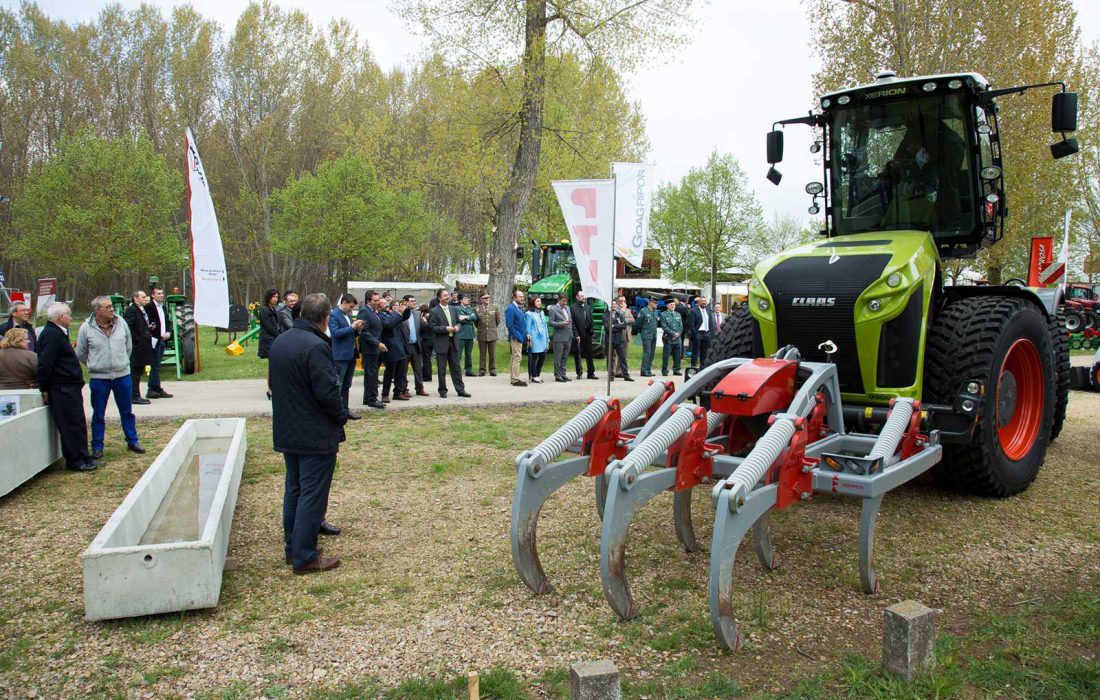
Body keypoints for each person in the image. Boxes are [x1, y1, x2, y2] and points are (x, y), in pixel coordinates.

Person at [271, 293, 347, 575]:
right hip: (312, 431)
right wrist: (341, 416)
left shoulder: (282, 340)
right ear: (325, 318)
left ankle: (294, 547)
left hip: (288, 429)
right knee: (311, 494)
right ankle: (304, 556)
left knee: (295, 489)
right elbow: (327, 391)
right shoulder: (315, 345)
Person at [76, 296, 144, 461]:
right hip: (99, 379)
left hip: (122, 376)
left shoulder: (121, 323)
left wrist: (122, 363)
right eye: (107, 307)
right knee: (98, 414)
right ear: (97, 310)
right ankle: (97, 446)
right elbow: (81, 353)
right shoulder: (86, 328)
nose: (111, 310)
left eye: (112, 306)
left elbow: (128, 346)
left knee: (126, 412)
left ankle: (132, 441)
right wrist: (95, 365)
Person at [37, 302, 95, 471]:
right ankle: (75, 460)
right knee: (69, 424)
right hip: (62, 388)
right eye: (69, 315)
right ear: (61, 317)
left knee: (77, 423)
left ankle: (83, 455)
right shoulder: (51, 335)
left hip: (70, 386)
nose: (71, 318)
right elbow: (45, 364)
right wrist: (44, 388)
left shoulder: (59, 333)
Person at [428, 288, 471, 398]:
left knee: (456, 368)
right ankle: (442, 390)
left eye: (448, 295)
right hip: (441, 343)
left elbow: (458, 322)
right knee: (442, 369)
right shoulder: (434, 311)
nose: (447, 297)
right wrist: (445, 328)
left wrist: (457, 326)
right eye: (445, 295)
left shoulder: (453, 309)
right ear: (439, 298)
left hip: (453, 342)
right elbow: (432, 328)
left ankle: (461, 390)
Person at [328, 293, 363, 420]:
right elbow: (335, 333)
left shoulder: (348, 315)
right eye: (351, 306)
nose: (352, 310)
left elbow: (350, 333)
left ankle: (345, 410)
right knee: (339, 384)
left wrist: (357, 329)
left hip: (351, 354)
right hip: (340, 356)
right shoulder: (333, 315)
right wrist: (351, 327)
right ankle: (337, 411)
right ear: (343, 303)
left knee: (347, 384)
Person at [356, 290, 387, 409]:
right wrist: (377, 343)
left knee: (372, 373)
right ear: (368, 301)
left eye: (378, 300)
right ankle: (372, 399)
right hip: (370, 348)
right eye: (375, 300)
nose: (378, 302)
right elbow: (364, 332)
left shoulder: (374, 311)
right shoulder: (364, 311)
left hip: (375, 348)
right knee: (371, 374)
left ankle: (368, 398)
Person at [122, 290, 154, 405]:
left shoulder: (141, 310)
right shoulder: (131, 310)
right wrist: (138, 340)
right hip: (137, 347)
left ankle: (136, 394)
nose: (145, 299)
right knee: (135, 371)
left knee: (139, 371)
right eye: (143, 297)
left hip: (143, 345)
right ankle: (134, 396)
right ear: (136, 298)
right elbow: (128, 327)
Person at [144, 284, 174, 399]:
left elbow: (166, 322)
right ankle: (152, 389)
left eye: (162, 293)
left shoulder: (163, 307)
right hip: (154, 340)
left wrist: (168, 332)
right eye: (158, 294)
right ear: (152, 295)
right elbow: (147, 324)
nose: (161, 295)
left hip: (162, 340)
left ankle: (156, 388)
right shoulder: (149, 307)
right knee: (154, 365)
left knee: (157, 365)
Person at [381, 297, 413, 402]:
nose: (387, 304)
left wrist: (406, 308)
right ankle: (385, 394)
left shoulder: (393, 315)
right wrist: (399, 312)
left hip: (400, 347)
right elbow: (389, 324)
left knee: (401, 371)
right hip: (390, 347)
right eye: (385, 304)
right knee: (390, 372)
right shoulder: (381, 316)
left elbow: (405, 317)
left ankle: (398, 392)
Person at [402, 295, 429, 397]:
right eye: (412, 301)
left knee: (418, 368)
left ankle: (420, 388)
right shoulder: (402, 313)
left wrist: (424, 323)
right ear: (405, 302)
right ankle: (404, 389)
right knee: (403, 369)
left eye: (415, 301)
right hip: (405, 345)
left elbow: (421, 330)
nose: (414, 303)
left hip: (416, 345)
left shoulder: (418, 314)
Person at [570, 291, 597, 379]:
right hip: (578, 334)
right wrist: (576, 334)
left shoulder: (588, 307)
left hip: (588, 334)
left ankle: (591, 373)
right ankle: (579, 373)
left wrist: (591, 331)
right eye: (581, 296)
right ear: (577, 297)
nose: (583, 298)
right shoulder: (573, 308)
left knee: (589, 353)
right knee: (578, 353)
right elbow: (572, 322)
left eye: (584, 296)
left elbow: (591, 319)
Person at [547, 294, 573, 382]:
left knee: (565, 357)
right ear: (559, 300)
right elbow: (550, 322)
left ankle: (563, 374)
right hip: (559, 337)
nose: (565, 303)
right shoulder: (553, 309)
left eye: (566, 301)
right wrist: (562, 323)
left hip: (568, 336)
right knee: (558, 357)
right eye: (563, 301)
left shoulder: (568, 308)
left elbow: (570, 320)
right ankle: (557, 375)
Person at [505, 289, 528, 387]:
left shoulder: (519, 308)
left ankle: (514, 377)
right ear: (514, 298)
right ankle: (515, 379)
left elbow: (522, 323)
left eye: (522, 296)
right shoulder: (511, 308)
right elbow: (509, 325)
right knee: (517, 357)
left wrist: (526, 334)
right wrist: (516, 336)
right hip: (516, 337)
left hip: (521, 336)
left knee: (515, 357)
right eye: (520, 297)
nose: (522, 298)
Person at [475, 292, 500, 377]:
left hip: (492, 334)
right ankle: (482, 370)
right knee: (482, 353)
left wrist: (492, 328)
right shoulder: (477, 308)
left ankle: (492, 369)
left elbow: (498, 320)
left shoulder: (494, 307)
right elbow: (476, 322)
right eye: (485, 298)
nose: (487, 299)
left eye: (488, 298)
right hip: (482, 334)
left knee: (492, 353)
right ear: (481, 299)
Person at [634, 297, 660, 377]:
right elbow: (638, 323)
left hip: (653, 334)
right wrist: (643, 331)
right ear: (650, 303)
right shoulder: (643, 311)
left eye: (656, 303)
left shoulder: (655, 312)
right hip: (646, 334)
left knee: (652, 353)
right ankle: (644, 370)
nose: (656, 304)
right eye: (654, 303)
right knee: (647, 352)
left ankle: (648, 370)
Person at [525, 296, 548, 383]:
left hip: (542, 337)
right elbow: (528, 327)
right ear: (533, 302)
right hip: (534, 337)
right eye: (537, 301)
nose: (539, 303)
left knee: (543, 356)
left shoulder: (541, 312)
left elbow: (545, 325)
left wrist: (547, 337)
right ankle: (534, 375)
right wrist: (528, 337)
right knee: (534, 357)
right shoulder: (529, 314)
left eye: (540, 301)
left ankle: (537, 373)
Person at [607, 303, 633, 381]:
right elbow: (607, 327)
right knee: (610, 358)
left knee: (623, 358)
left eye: (615, 304)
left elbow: (624, 325)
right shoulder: (606, 315)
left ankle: (626, 375)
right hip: (610, 340)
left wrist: (614, 326)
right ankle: (611, 375)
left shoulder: (619, 314)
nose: (614, 306)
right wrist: (617, 326)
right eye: (612, 304)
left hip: (619, 340)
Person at [689, 296, 716, 368]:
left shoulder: (708, 310)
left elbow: (711, 323)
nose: (704, 302)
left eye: (705, 301)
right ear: (699, 302)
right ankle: (693, 366)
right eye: (702, 301)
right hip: (698, 333)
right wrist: (695, 334)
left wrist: (710, 333)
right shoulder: (693, 311)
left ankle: (703, 366)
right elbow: (691, 324)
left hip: (707, 334)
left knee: (704, 352)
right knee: (695, 351)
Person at [660, 298, 684, 376]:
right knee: (666, 355)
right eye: (671, 305)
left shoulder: (678, 314)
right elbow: (664, 327)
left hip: (677, 339)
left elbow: (681, 326)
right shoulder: (663, 314)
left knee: (677, 355)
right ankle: (665, 370)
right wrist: (673, 334)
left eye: (673, 305)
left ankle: (676, 370)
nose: (673, 306)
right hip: (668, 338)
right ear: (667, 306)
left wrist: (678, 334)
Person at [456, 294, 478, 377]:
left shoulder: (470, 308)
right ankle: (457, 370)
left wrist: (465, 317)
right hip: (461, 334)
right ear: (461, 300)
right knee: (459, 353)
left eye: (468, 298)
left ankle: (468, 370)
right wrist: (469, 318)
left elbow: (475, 318)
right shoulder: (457, 309)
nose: (467, 299)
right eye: (465, 298)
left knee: (468, 353)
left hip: (470, 334)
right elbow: (459, 319)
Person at [612, 295, 635, 377]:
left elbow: (632, 320)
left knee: (623, 355)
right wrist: (624, 313)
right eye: (621, 301)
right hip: (617, 335)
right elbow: (619, 318)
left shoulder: (628, 310)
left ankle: (619, 371)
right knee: (614, 355)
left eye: (624, 301)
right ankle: (613, 371)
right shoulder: (615, 309)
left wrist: (625, 320)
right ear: (618, 302)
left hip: (626, 335)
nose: (622, 303)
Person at [417, 303, 433, 388]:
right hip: (431, 340)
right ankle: (426, 374)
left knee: (426, 359)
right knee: (428, 358)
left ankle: (427, 376)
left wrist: (424, 322)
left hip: (426, 340)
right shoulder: (432, 316)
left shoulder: (425, 318)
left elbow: (424, 328)